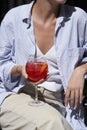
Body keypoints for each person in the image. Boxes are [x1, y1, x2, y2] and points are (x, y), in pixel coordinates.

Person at [0, 0, 87, 130]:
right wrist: (18, 69)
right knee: (53, 124)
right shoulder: (14, 18)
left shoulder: (78, 18)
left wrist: (81, 69)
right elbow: (2, 63)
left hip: (60, 101)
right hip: (16, 94)